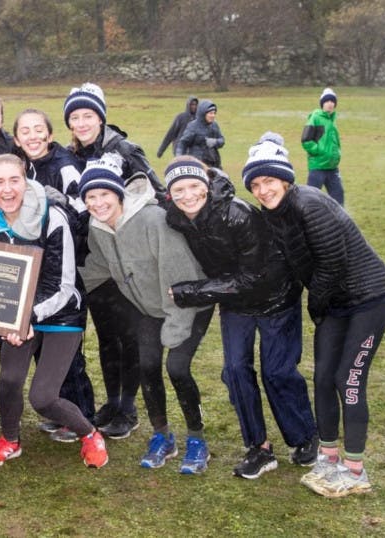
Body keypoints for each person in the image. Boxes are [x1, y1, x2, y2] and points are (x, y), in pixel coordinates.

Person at [243, 134, 385, 498]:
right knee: (324, 377)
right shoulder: (274, 213)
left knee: (349, 379)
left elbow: (330, 264)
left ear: (285, 179)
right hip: (335, 303)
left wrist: (314, 306)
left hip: (369, 298)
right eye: (256, 184)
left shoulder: (310, 204)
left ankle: (356, 470)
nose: (263, 190)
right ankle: (328, 458)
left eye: (269, 181)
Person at [163, 154, 317, 480]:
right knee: (235, 371)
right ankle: (258, 448)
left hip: (276, 296)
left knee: (277, 372)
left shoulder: (238, 215)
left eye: (194, 186)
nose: (187, 195)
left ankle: (304, 437)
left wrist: (192, 291)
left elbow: (252, 277)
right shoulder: (176, 217)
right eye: (178, 190)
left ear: (206, 186)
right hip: (234, 302)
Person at [77, 157, 214, 474]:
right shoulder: (100, 228)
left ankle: (197, 440)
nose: (98, 203)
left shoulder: (153, 220)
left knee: (176, 367)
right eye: (90, 198)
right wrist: (58, 288)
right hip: (149, 308)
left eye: (104, 195)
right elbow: (97, 268)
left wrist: (175, 327)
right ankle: (162, 436)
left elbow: (179, 276)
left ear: (118, 194)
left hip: (189, 303)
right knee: (148, 366)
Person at [0, 154, 108, 469]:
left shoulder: (52, 216)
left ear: (26, 180)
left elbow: (64, 286)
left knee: (43, 398)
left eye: (14, 180)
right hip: (18, 315)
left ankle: (90, 433)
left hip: (60, 314)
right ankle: (10, 439)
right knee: (8, 380)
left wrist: (27, 317)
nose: (7, 190)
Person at [63, 83, 151, 439]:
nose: (82, 122)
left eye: (88, 115)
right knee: (106, 337)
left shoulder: (125, 150)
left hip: (124, 260)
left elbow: (152, 193)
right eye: (75, 116)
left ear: (101, 116)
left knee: (129, 335)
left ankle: (128, 408)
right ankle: (111, 401)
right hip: (92, 263)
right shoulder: (73, 155)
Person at [11, 108, 97, 441]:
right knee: (41, 344)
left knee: (68, 353)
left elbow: (85, 208)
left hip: (66, 266)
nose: (32, 136)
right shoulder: (24, 167)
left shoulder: (64, 166)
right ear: (17, 139)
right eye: (25, 131)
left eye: (38, 130)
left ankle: (82, 413)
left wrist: (61, 205)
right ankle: (59, 408)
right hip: (37, 267)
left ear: (49, 134)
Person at [301, 87, 343, 205]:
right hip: (318, 167)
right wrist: (320, 151)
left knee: (338, 196)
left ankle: (340, 222)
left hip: (332, 167)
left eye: (332, 101)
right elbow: (306, 140)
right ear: (322, 104)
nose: (330, 104)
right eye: (327, 101)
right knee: (311, 199)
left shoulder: (332, 120)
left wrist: (336, 154)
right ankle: (305, 222)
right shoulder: (316, 118)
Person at [175, 99, 224, 169]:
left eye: (214, 113)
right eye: (210, 113)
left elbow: (222, 140)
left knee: (223, 179)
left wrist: (215, 142)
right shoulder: (193, 126)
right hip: (197, 165)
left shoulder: (214, 125)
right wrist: (179, 158)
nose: (213, 115)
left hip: (214, 163)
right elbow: (183, 143)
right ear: (203, 113)